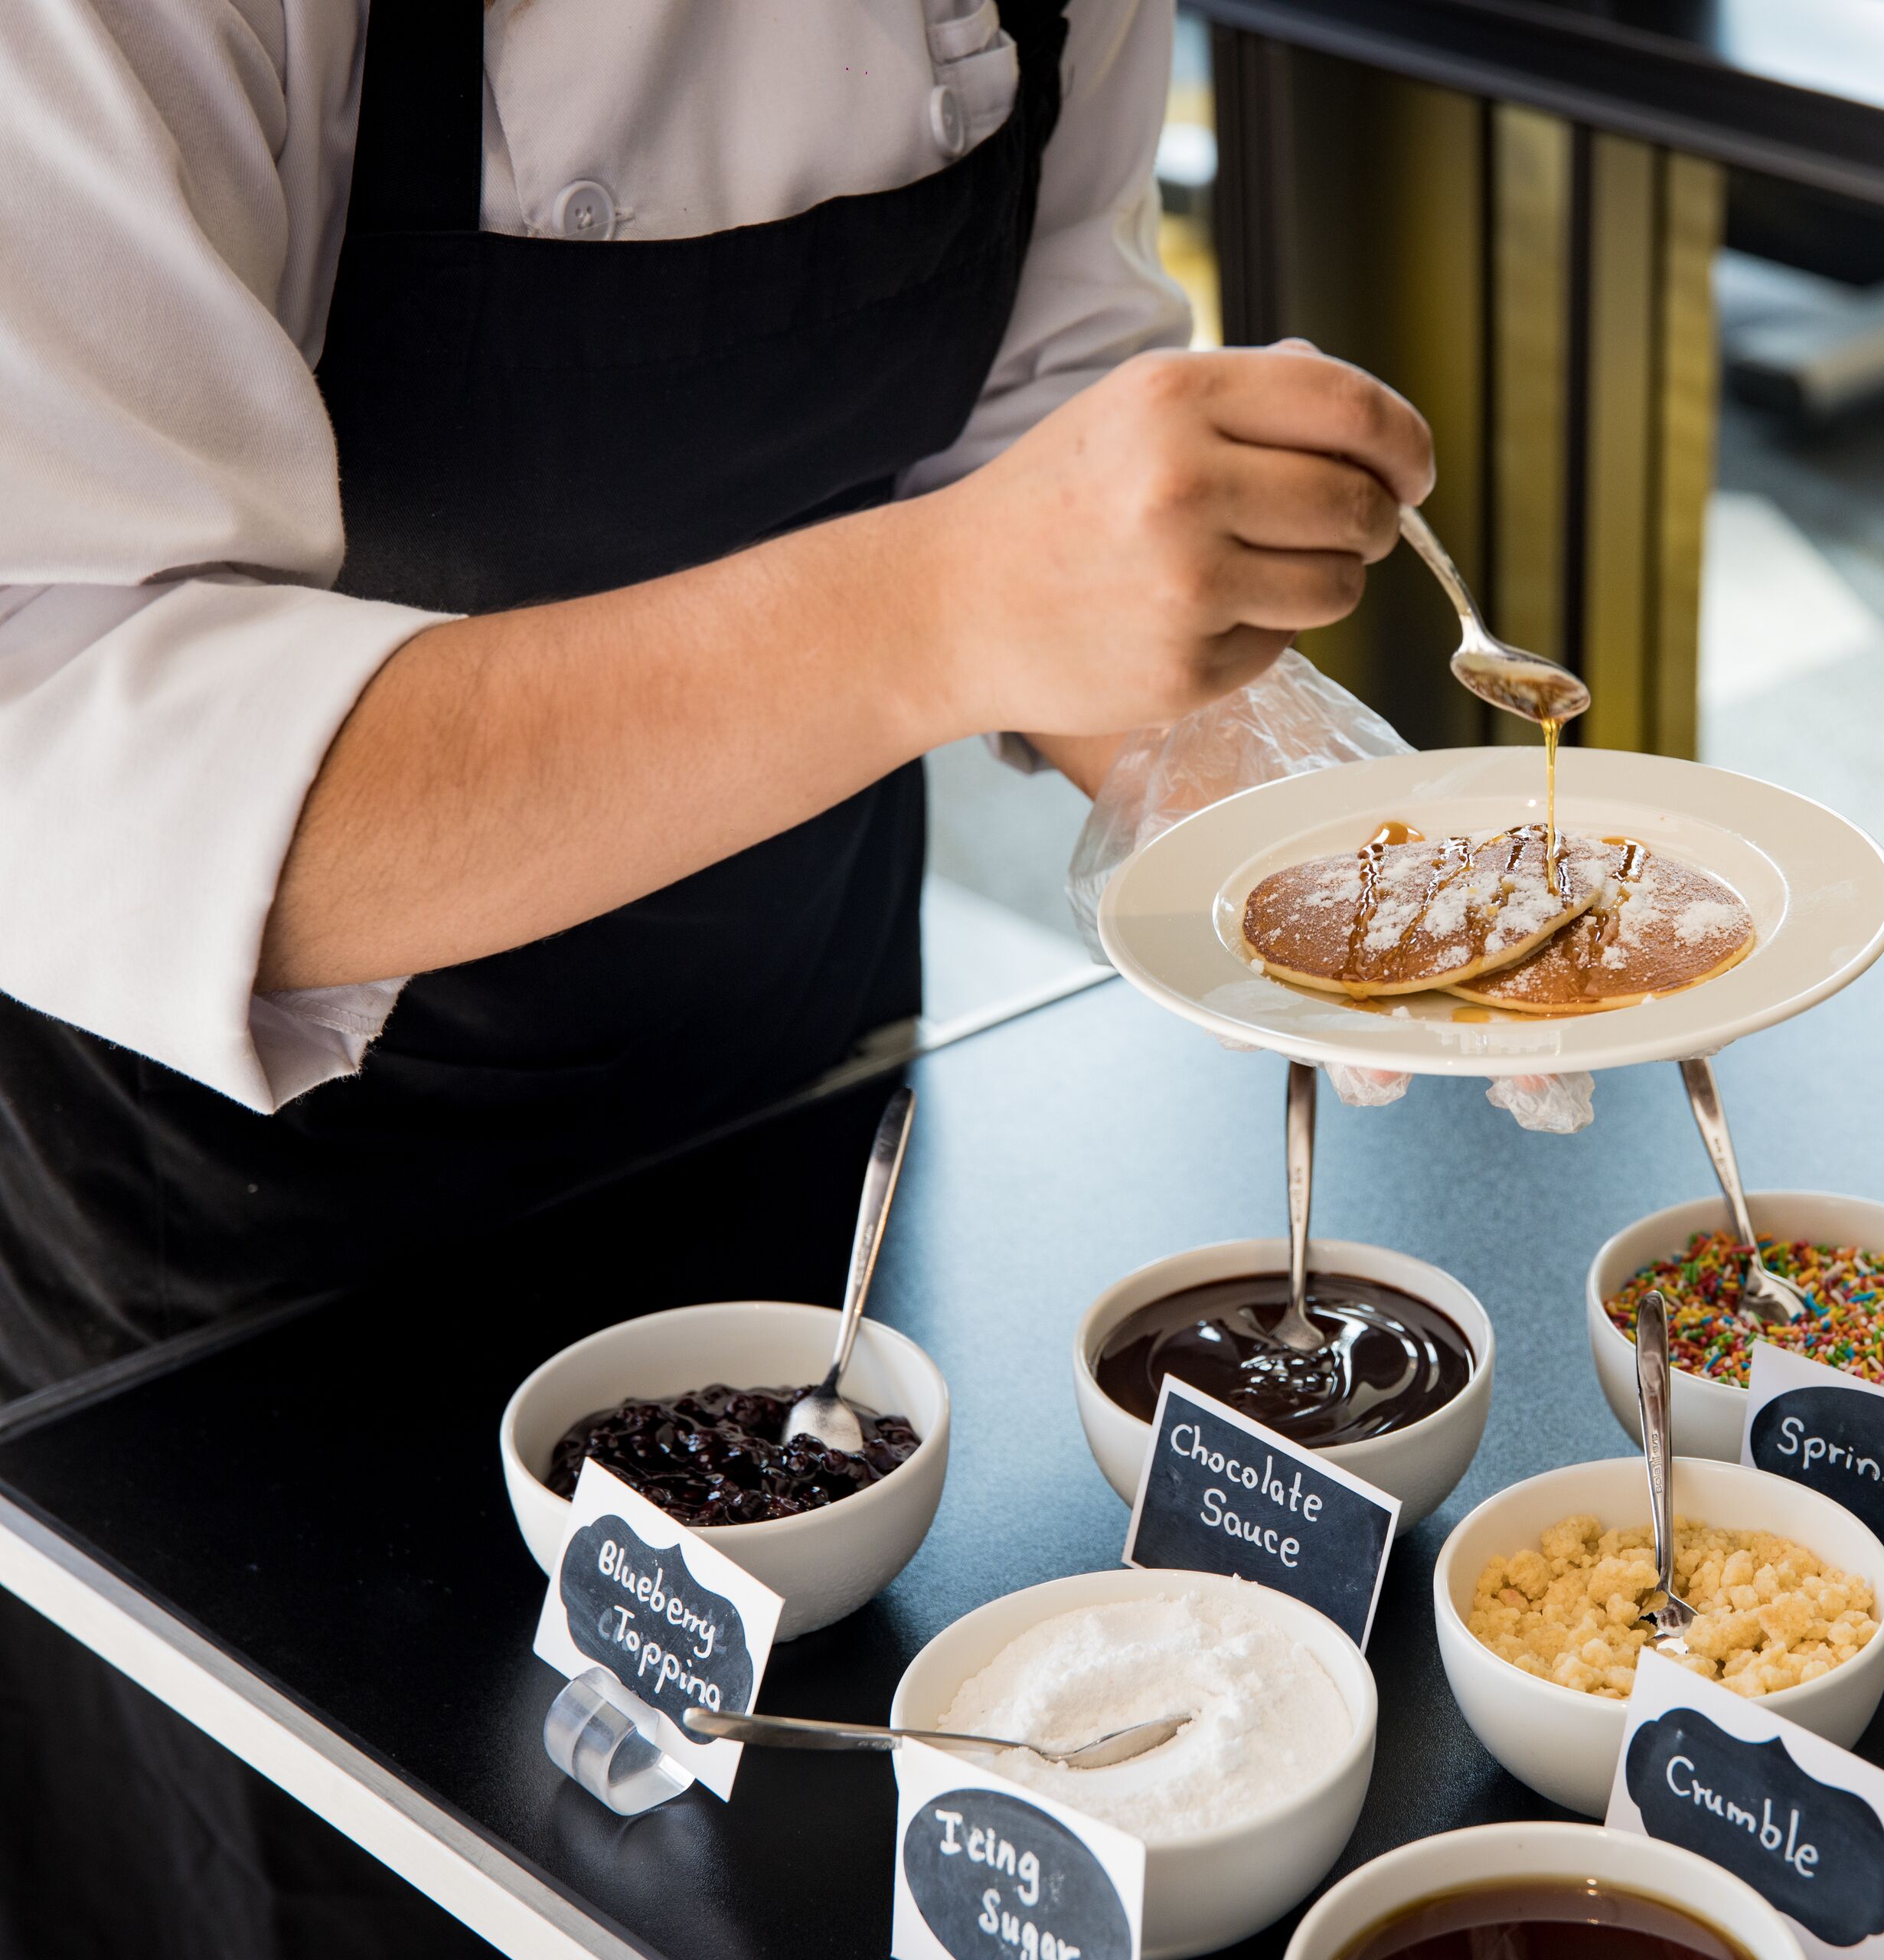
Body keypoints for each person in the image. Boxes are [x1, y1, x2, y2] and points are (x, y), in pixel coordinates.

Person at [0, 3, 1428, 1951]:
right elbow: (82, 724)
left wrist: (1269, 811)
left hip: (796, 1081)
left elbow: (1032, 381)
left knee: (777, 1865)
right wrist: (940, 606)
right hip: (256, 1242)